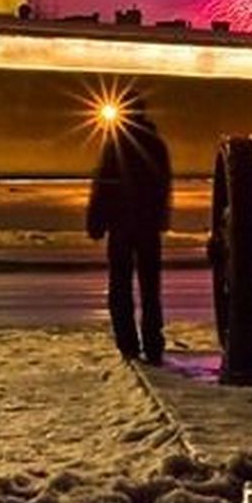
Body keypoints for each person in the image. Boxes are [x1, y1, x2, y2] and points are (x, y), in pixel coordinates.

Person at [86, 97, 171, 366]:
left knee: (120, 287)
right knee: (150, 289)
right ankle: (153, 344)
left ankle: (128, 345)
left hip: (121, 226)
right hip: (147, 226)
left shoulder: (115, 143)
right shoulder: (156, 144)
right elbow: (163, 186)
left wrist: (96, 221)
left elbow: (103, 185)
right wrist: (160, 218)